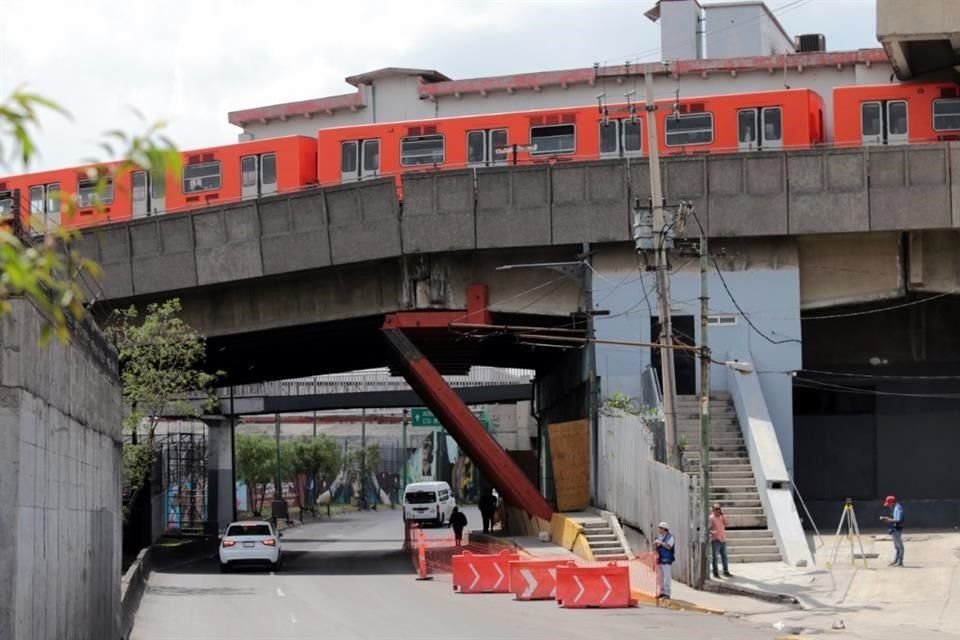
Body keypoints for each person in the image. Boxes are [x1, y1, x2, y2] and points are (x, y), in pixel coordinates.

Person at [880, 495, 904, 567]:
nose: (888, 506)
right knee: (896, 547)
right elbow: (895, 519)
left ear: (892, 503)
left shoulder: (898, 508)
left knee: (900, 547)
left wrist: (888, 520)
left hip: (897, 529)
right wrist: (887, 519)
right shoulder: (895, 508)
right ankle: (896, 560)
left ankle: (900, 562)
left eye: (889, 504)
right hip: (894, 529)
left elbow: (898, 520)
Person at [709, 504, 732, 578]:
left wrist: (723, 516)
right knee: (715, 557)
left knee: (724, 556)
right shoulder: (711, 518)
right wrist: (712, 532)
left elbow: (727, 523)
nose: (718, 510)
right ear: (713, 510)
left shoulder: (721, 517)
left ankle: (725, 571)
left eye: (719, 508)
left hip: (723, 539)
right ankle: (715, 572)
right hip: (716, 540)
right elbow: (707, 528)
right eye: (716, 509)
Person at [654, 522, 676, 599]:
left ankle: (667, 593)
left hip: (667, 559)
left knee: (667, 577)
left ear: (664, 529)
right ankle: (662, 592)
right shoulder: (660, 537)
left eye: (660, 528)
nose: (659, 529)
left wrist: (661, 543)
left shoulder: (670, 537)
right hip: (660, 559)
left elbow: (669, 546)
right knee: (660, 577)